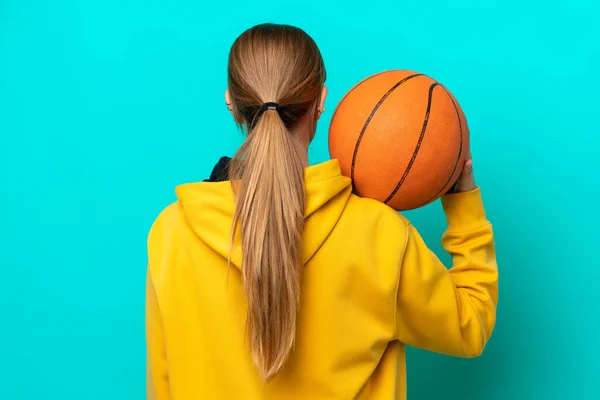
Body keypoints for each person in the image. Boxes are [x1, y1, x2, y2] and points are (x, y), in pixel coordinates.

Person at [145, 23, 498, 400]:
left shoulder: (172, 231)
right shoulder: (378, 233)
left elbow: (162, 386)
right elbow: (470, 324)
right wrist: (464, 203)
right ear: (321, 101)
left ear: (231, 103)